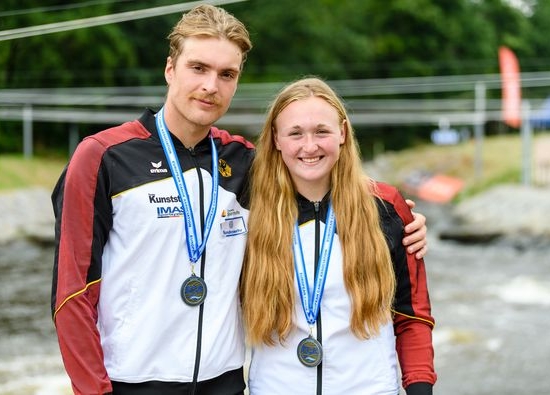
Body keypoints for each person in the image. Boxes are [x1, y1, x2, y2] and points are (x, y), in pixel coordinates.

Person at [50, 5, 429, 395]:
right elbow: (72, 295)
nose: (211, 85)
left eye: (226, 74)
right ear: (170, 69)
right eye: (198, 68)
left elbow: (319, 173)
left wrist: (402, 217)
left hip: (226, 384)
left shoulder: (245, 163)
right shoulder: (103, 157)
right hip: (132, 383)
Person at [241, 77, 436, 395]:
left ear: (342, 132)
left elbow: (412, 316)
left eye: (322, 131)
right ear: (276, 139)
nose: (309, 146)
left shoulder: (386, 207)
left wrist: (419, 388)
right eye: (295, 133)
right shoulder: (248, 209)